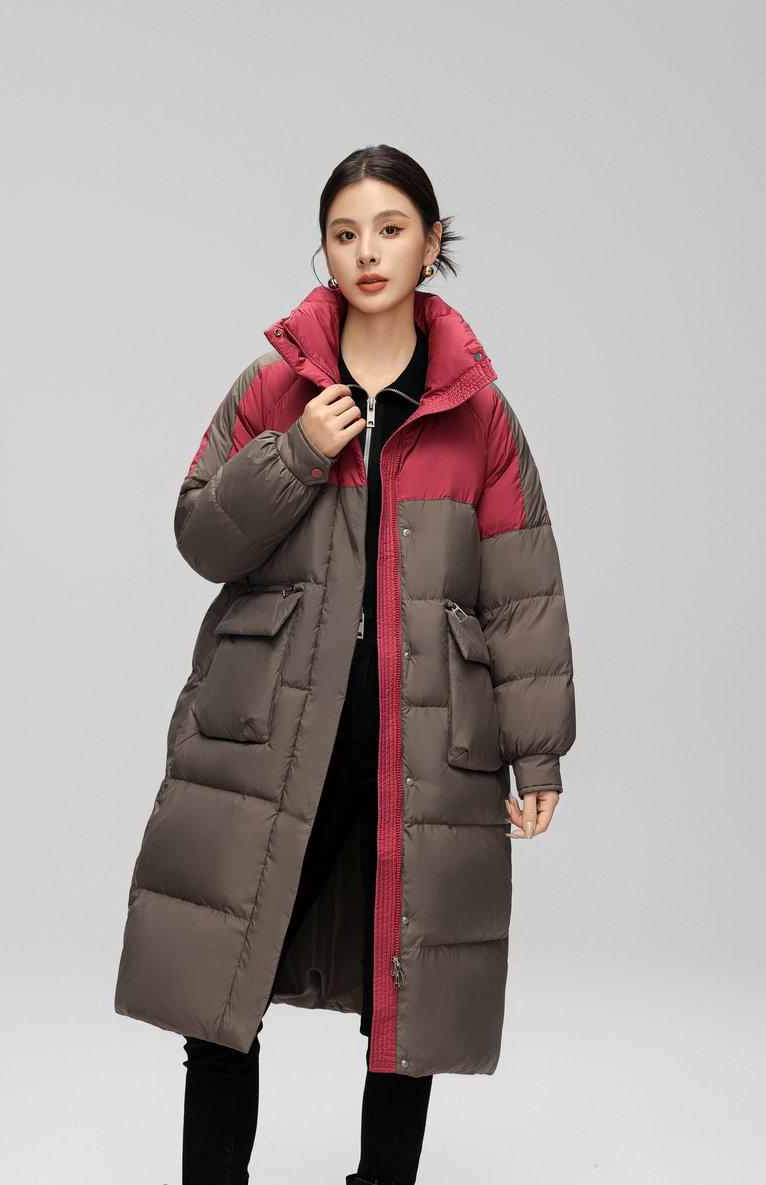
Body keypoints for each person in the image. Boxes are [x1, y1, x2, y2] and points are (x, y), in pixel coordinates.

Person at [113, 143, 576, 1185]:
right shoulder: (275, 388)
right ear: (324, 248)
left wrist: (537, 752)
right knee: (222, 985)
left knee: (408, 1000)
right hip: (273, 728)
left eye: (391, 229)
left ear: (432, 241)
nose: (368, 251)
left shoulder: (477, 411)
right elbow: (202, 538)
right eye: (345, 232)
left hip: (421, 735)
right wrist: (294, 455)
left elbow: (521, 586)